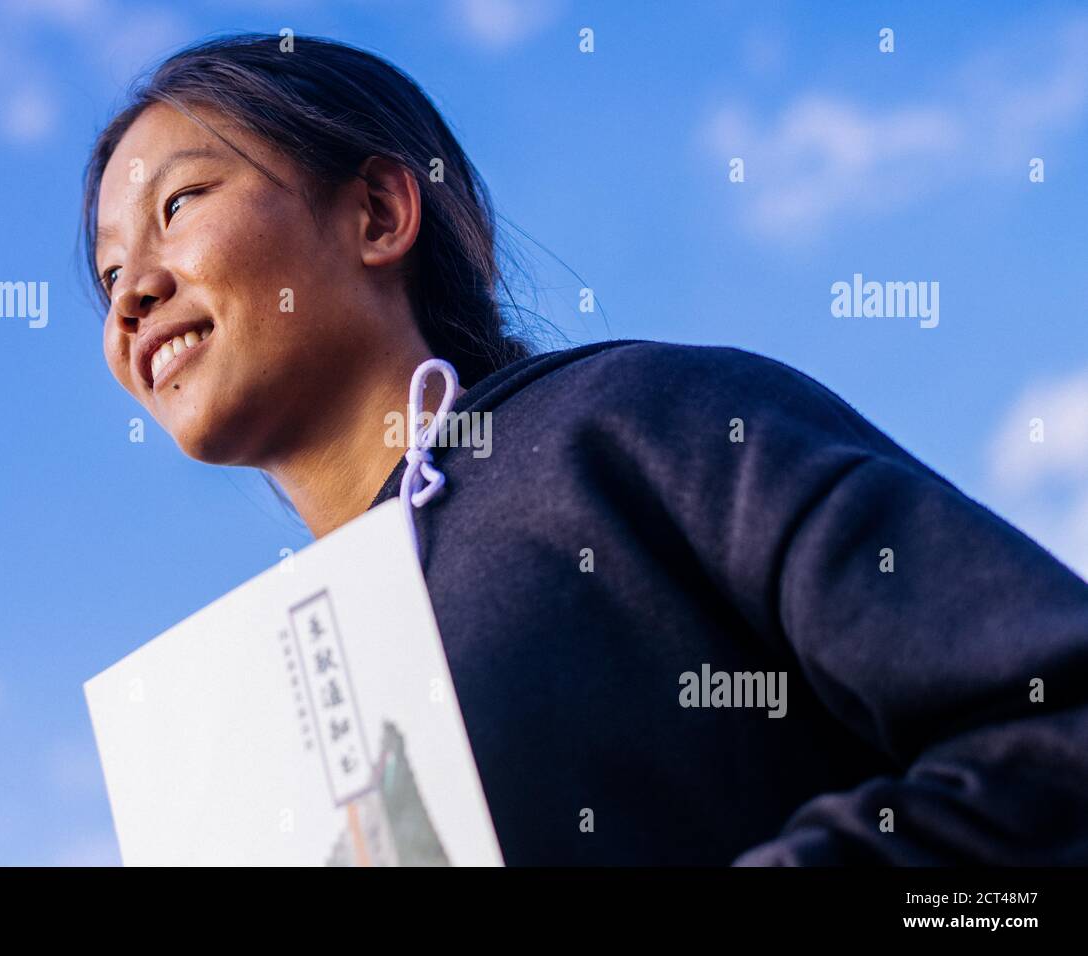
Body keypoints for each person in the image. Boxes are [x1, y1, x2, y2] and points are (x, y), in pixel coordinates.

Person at [83, 32, 1088, 865]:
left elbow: (1050, 724)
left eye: (177, 206)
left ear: (378, 212)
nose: (131, 293)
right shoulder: (246, 727)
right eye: (109, 268)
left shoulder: (639, 424)